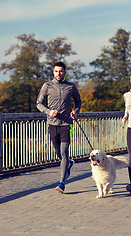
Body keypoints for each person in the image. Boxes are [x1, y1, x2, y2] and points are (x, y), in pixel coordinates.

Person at [36, 61, 82, 193]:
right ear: (53, 72)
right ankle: (68, 163)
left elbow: (78, 101)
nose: (58, 73)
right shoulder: (47, 86)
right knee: (58, 152)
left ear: (65, 72)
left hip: (67, 124)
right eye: (56, 71)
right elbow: (39, 103)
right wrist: (49, 111)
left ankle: (61, 183)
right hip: (52, 123)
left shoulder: (71, 87)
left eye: (61, 71)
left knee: (63, 151)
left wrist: (76, 111)